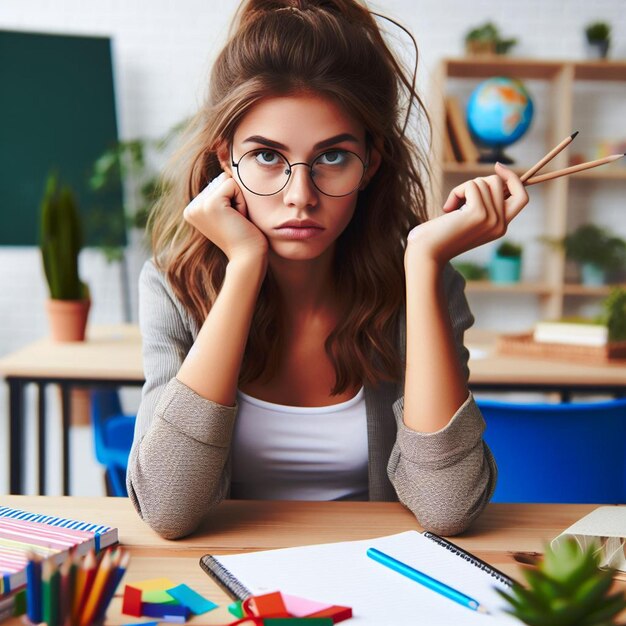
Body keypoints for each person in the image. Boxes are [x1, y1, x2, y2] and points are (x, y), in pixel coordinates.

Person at [127, 0, 529, 540]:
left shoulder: (423, 284)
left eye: (333, 157)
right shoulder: (175, 285)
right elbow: (167, 508)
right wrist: (245, 265)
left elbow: (449, 506)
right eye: (267, 156)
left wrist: (425, 262)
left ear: (372, 163)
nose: (300, 197)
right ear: (226, 160)